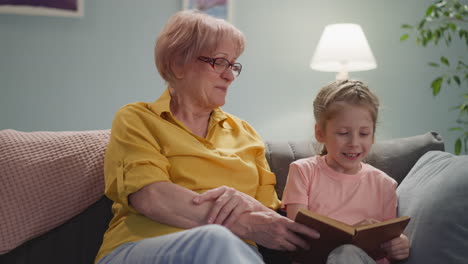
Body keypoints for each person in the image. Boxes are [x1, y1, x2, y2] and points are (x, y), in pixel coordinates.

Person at [95, 10, 382, 264]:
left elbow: (270, 215)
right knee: (215, 239)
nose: (230, 76)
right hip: (139, 249)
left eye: (233, 65)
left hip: (236, 255)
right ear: (177, 63)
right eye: (219, 62)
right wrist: (242, 221)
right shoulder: (137, 119)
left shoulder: (246, 134)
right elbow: (151, 197)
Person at [282, 80, 410, 264]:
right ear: (320, 133)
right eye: (343, 133)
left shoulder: (384, 184)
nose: (354, 143)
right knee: (345, 253)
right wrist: (352, 231)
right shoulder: (303, 171)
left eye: (364, 133)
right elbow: (298, 235)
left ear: (373, 135)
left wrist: (399, 245)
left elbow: (388, 240)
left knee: (348, 254)